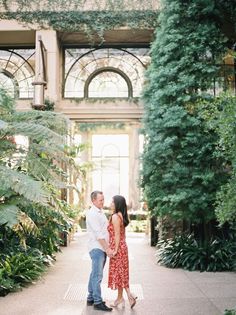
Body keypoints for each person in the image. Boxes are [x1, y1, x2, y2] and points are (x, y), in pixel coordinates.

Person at [108, 195, 137, 308]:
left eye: (112, 202)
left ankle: (129, 295)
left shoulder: (115, 217)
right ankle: (120, 298)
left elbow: (117, 235)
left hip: (118, 248)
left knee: (120, 273)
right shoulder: (120, 215)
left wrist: (115, 250)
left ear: (117, 204)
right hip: (123, 247)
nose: (110, 204)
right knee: (121, 273)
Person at [86, 190, 113, 312]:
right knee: (98, 275)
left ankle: (91, 297)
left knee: (94, 273)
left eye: (103, 199)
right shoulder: (92, 214)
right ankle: (97, 301)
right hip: (97, 248)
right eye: (100, 200)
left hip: (100, 247)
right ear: (94, 201)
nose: (103, 202)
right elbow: (98, 234)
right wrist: (107, 248)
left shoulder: (100, 212)